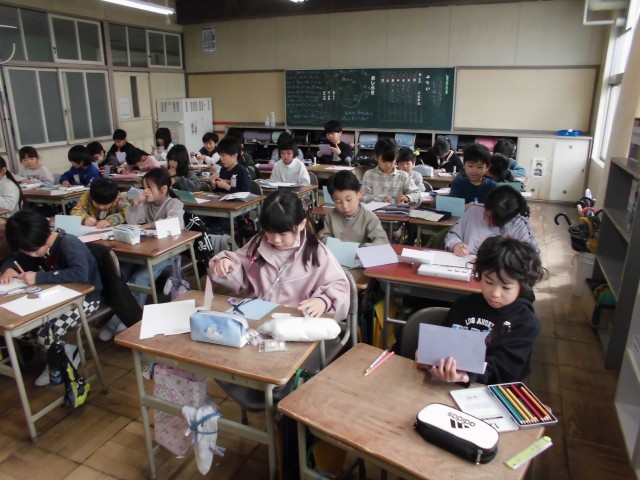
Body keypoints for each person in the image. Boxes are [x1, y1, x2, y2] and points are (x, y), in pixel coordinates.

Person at [419, 236, 544, 385]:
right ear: (479, 274)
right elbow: (443, 344)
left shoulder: (525, 322)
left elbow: (508, 371)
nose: (495, 293)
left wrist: (468, 375)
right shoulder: (463, 305)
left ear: (522, 286)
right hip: (448, 384)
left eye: (506, 287)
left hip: (494, 390)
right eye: (488, 282)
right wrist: (428, 356)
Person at [209, 190, 349, 319]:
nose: (275, 240)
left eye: (283, 234)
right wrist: (226, 262)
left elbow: (340, 286)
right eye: (269, 232)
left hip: (297, 322)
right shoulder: (258, 244)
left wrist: (323, 301)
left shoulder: (317, 253)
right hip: (259, 318)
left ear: (301, 224)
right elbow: (244, 272)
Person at [0, 209, 102, 386]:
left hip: (85, 300)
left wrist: (38, 277)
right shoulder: (37, 246)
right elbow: (16, 259)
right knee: (21, 331)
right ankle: (65, 350)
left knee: (45, 335)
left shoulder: (68, 243)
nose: (31, 256)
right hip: (56, 298)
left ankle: (59, 357)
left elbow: (80, 274)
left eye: (32, 251)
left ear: (43, 237)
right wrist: (9, 268)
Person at [99, 168, 185, 341]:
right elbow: (132, 222)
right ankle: (119, 317)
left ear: (163, 189)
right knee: (120, 274)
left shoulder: (174, 204)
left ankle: (127, 321)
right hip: (144, 251)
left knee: (139, 279)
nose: (145, 191)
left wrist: (150, 225)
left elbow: (176, 223)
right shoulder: (145, 204)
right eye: (143, 187)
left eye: (149, 187)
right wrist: (135, 203)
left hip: (167, 254)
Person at [445, 185, 537, 256]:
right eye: (487, 216)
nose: (489, 223)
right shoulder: (473, 211)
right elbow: (452, 235)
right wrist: (455, 245)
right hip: (465, 266)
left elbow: (531, 256)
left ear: (511, 218)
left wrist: (498, 262)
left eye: (496, 222)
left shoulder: (519, 224)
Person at [319, 171, 388, 247]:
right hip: (337, 253)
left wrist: (364, 248)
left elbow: (382, 241)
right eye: (338, 202)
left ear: (360, 193)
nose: (345, 206)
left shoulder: (370, 218)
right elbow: (323, 236)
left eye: (349, 200)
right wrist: (332, 243)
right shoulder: (331, 216)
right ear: (332, 200)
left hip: (361, 253)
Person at [362, 137, 421, 206]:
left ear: (396, 157)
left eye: (391, 161)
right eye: (384, 161)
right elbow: (364, 197)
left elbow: (417, 195)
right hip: (374, 212)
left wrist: (408, 198)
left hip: (397, 211)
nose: (388, 165)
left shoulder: (403, 176)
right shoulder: (369, 175)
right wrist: (381, 198)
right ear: (375, 157)